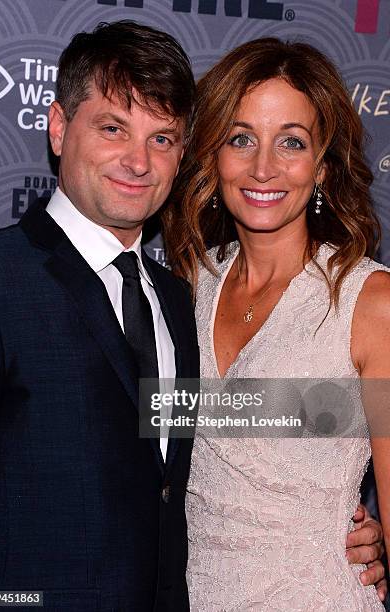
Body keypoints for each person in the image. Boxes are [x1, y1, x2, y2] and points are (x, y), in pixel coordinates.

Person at [0, 21, 198, 612]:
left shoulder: (179, 299)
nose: (138, 160)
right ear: (57, 126)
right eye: (112, 127)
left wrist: (330, 516)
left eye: (163, 138)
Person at [164, 38, 390, 610]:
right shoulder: (185, 286)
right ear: (212, 155)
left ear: (322, 164)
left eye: (291, 142)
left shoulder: (371, 303)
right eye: (241, 139)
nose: (264, 167)